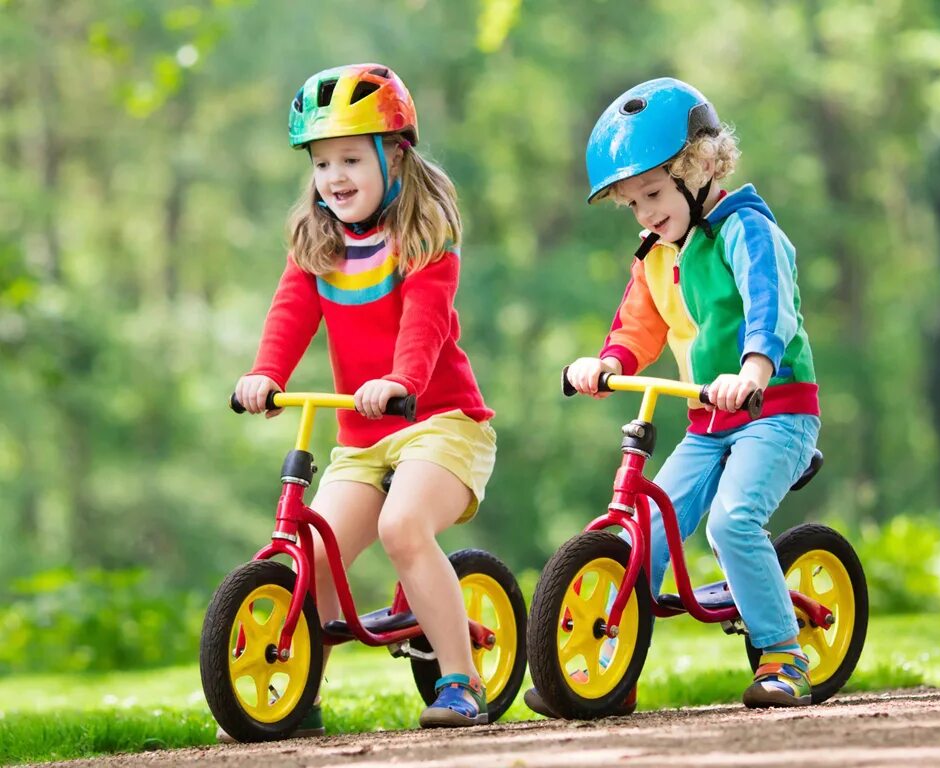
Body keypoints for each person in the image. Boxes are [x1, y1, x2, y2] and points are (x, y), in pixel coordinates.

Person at [527, 77, 820, 715]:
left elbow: (773, 305)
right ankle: (613, 667)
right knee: (646, 534)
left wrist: (753, 367)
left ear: (701, 167)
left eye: (654, 194)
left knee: (731, 521)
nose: (646, 213)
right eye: (632, 203)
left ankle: (783, 654)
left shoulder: (748, 230)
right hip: (707, 421)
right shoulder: (658, 254)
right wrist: (605, 364)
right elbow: (639, 326)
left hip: (774, 411)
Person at [230, 63, 497, 734]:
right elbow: (290, 315)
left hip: (441, 424)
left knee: (401, 528)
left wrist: (402, 382)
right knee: (310, 555)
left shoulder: (424, 242)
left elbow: (426, 323)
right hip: (362, 437)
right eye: (321, 164)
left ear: (394, 155)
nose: (334, 177)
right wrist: (266, 375)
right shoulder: (317, 245)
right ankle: (297, 700)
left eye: (351, 158)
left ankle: (461, 683)